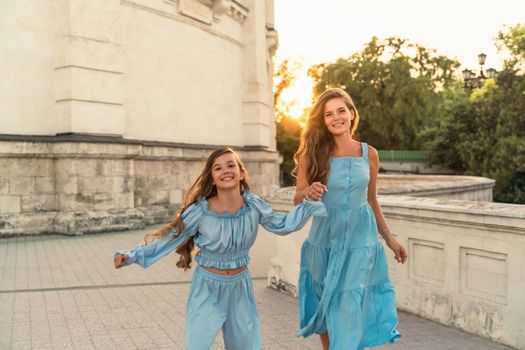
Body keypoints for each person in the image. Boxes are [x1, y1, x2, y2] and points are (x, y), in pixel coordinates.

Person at [114, 147, 327, 350]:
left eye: (231, 165)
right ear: (212, 177)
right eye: (218, 168)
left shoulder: (253, 206)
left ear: (241, 173)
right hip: (207, 288)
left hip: (240, 288)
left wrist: (308, 202)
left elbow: (284, 225)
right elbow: (169, 239)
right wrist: (132, 255)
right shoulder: (200, 211)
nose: (225, 170)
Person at [293, 88, 408, 350]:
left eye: (341, 111)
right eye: (328, 114)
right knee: (325, 305)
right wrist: (308, 192)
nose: (336, 118)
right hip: (324, 240)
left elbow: (371, 200)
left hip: (360, 241)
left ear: (352, 113)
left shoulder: (370, 154)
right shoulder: (312, 155)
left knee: (348, 306)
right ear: (322, 121)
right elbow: (297, 197)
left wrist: (390, 240)